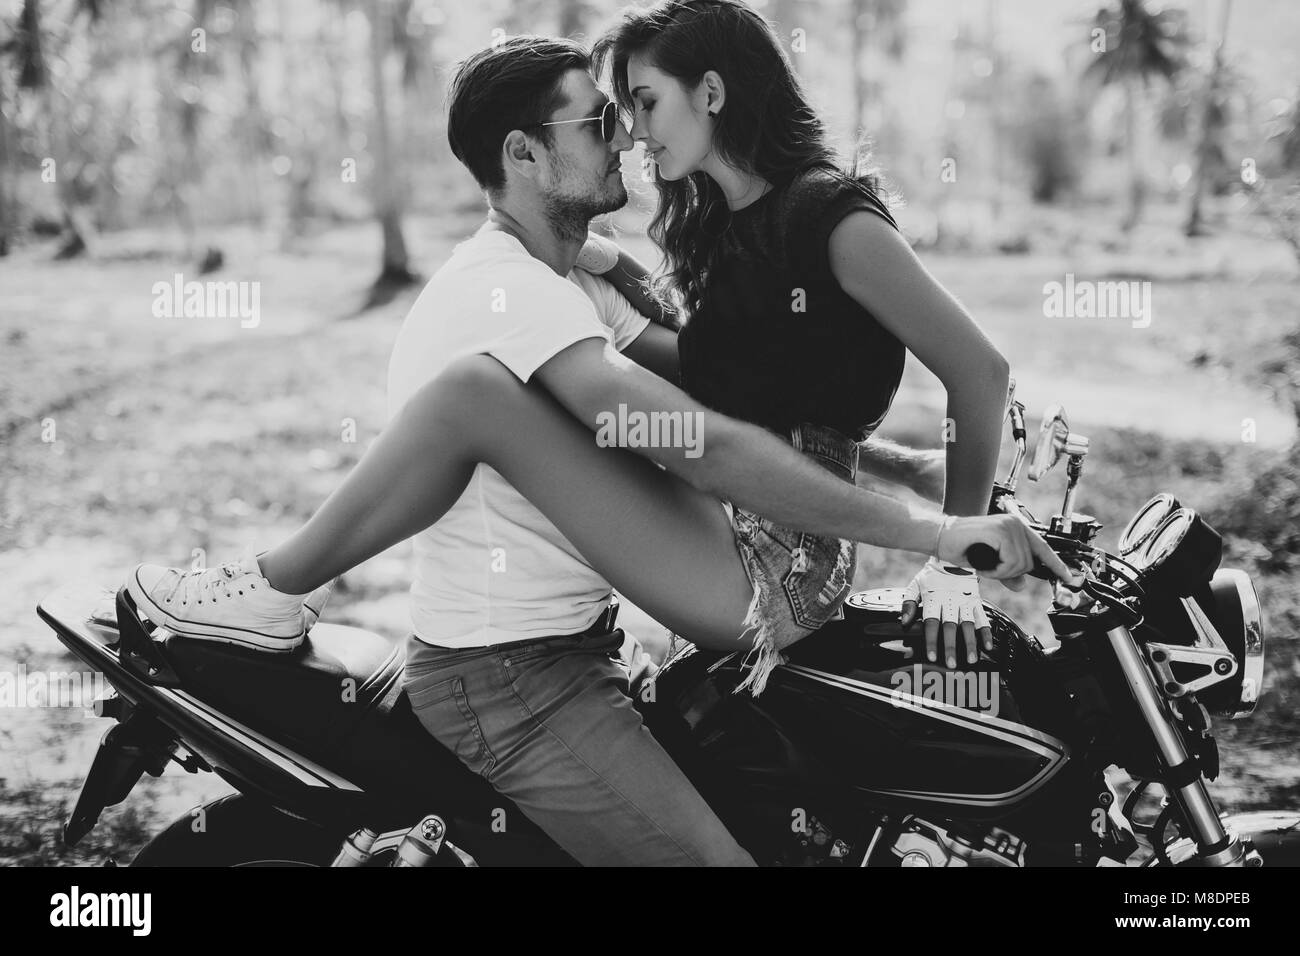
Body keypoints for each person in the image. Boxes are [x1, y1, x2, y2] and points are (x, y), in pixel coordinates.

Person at [123, 28, 1077, 865]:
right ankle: (268, 585)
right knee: (472, 397)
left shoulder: (568, 287)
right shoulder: (507, 291)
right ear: (526, 155)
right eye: (599, 122)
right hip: (511, 682)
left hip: (586, 647)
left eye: (633, 110)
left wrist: (901, 469)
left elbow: (728, 396)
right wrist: (929, 533)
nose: (626, 133)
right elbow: (695, 440)